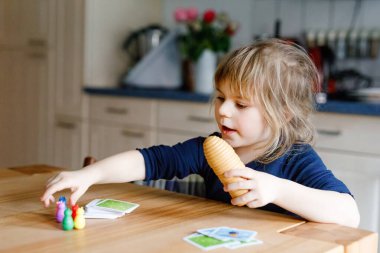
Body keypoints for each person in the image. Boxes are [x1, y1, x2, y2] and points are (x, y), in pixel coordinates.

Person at [41, 39, 360, 227]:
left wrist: (277, 190)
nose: (223, 111)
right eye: (221, 98)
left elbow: (349, 214)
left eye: (241, 104)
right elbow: (151, 161)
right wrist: (89, 175)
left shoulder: (294, 157)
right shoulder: (211, 147)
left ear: (283, 114)